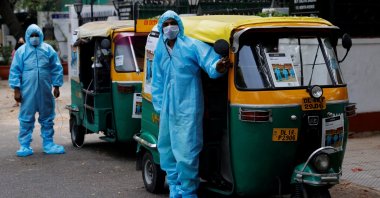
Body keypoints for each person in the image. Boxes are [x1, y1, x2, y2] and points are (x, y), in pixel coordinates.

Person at [151, 10, 230, 198]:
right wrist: (160, 107)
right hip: (168, 110)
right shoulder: (160, 52)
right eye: (166, 23)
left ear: (179, 24)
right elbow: (157, 82)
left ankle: (187, 191)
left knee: (187, 151)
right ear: (161, 28)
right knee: (167, 148)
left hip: (189, 106)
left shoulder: (191, 45)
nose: (170, 26)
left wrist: (218, 65)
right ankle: (174, 188)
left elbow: (210, 62)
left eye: (173, 22)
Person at [8, 24, 65, 157]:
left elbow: (56, 68)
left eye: (36, 35)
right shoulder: (21, 51)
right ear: (27, 36)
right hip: (27, 91)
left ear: (41, 35)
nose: (34, 38)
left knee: (47, 118)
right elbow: (15, 71)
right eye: (32, 35)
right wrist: (16, 90)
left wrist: (56, 86)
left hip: (45, 90)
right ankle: (24, 145)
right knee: (26, 118)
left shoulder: (48, 49)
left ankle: (49, 144)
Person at [11, 37, 25, 107]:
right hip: (18, 71)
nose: (21, 44)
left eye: (22, 42)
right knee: (16, 86)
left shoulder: (26, 50)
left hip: (25, 72)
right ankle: (17, 102)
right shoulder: (15, 51)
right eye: (19, 42)